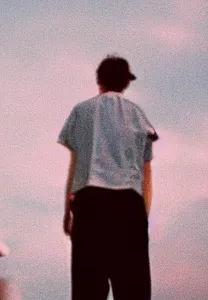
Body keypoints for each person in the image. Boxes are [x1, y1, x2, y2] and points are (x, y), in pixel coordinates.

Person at [58, 55, 157, 300]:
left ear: (99, 80)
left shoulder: (81, 112)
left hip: (90, 204)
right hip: (129, 207)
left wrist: (67, 212)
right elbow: (146, 174)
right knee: (133, 290)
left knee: (88, 289)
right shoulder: (140, 117)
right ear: (126, 83)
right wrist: (141, 218)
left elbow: (75, 165)